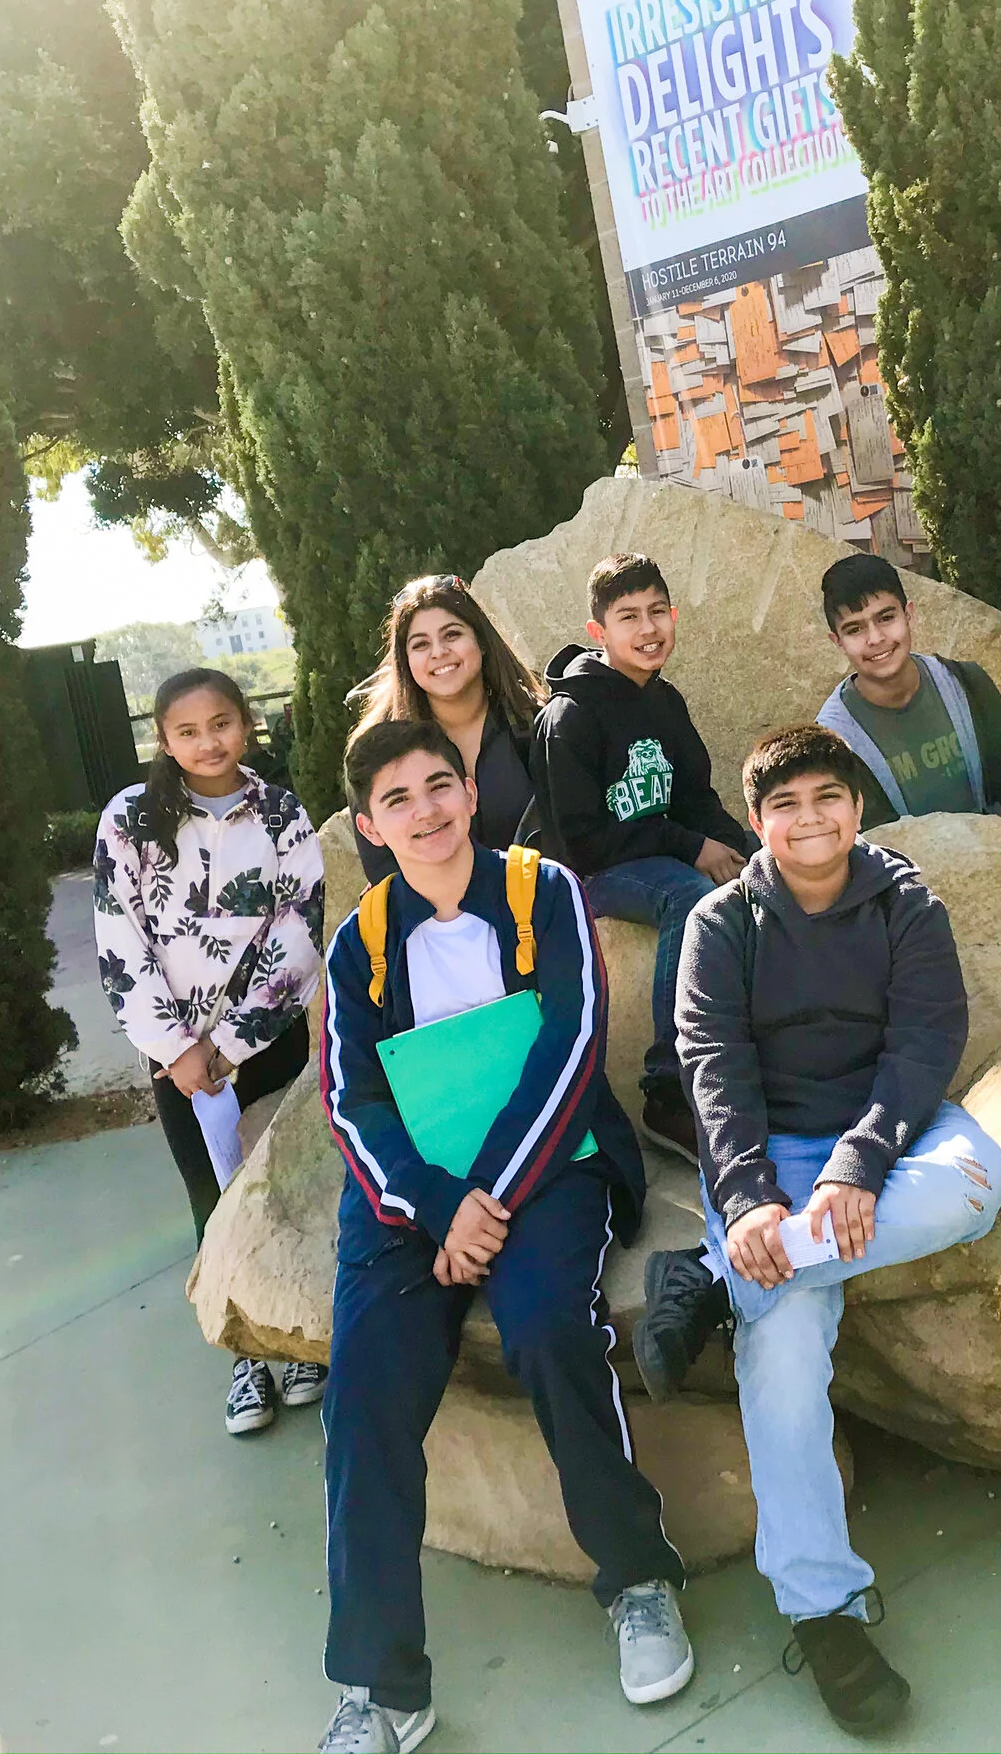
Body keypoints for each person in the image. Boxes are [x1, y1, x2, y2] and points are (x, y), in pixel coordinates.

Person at [317, 720, 693, 1752]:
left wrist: (489, 1197)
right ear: (369, 823)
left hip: (546, 1168)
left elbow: (572, 1050)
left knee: (546, 1330)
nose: (427, 811)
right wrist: (439, 1208)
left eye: (440, 785)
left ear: (470, 791)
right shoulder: (360, 944)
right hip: (412, 1203)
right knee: (363, 1395)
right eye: (398, 798)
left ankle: (637, 1580)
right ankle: (383, 1684)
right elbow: (350, 1100)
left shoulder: (543, 892)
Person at [640, 723, 1001, 1734]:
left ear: (855, 807)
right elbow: (712, 1070)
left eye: (826, 799)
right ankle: (823, 1609)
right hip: (769, 1158)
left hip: (891, 1136)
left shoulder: (905, 904)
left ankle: (716, 1282)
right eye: (786, 806)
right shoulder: (722, 923)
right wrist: (755, 1198)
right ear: (758, 823)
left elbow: (926, 1041)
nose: (810, 820)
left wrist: (859, 1166)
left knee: (978, 1185)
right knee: (788, 1352)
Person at [94, 668, 329, 1436]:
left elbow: (299, 931)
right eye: (188, 730)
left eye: (221, 722)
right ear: (162, 739)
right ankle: (243, 1359)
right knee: (214, 1201)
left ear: (247, 725)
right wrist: (181, 1049)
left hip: (267, 1038)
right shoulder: (130, 821)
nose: (208, 741)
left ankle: (297, 1340)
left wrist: (231, 1043)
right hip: (179, 1060)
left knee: (282, 1189)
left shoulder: (282, 814)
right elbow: (119, 939)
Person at [528, 552, 753, 1158]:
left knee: (755, 886)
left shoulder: (666, 701)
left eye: (658, 612)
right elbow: (580, 840)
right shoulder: (569, 716)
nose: (648, 629)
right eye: (629, 617)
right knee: (692, 899)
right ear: (599, 633)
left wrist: (749, 850)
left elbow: (695, 798)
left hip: (654, 856)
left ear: (674, 616)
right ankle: (667, 1089)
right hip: (591, 875)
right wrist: (690, 847)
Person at [814, 552, 1001, 829]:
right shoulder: (834, 739)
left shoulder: (967, 684)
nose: (875, 639)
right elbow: (868, 845)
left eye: (886, 617)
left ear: (909, 613)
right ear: (837, 641)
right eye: (855, 629)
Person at [347, 574, 545, 884]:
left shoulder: (537, 725)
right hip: (435, 922)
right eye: (421, 644)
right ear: (405, 661)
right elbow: (385, 871)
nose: (438, 652)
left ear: (480, 641)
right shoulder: (377, 753)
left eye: (452, 635)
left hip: (536, 904)